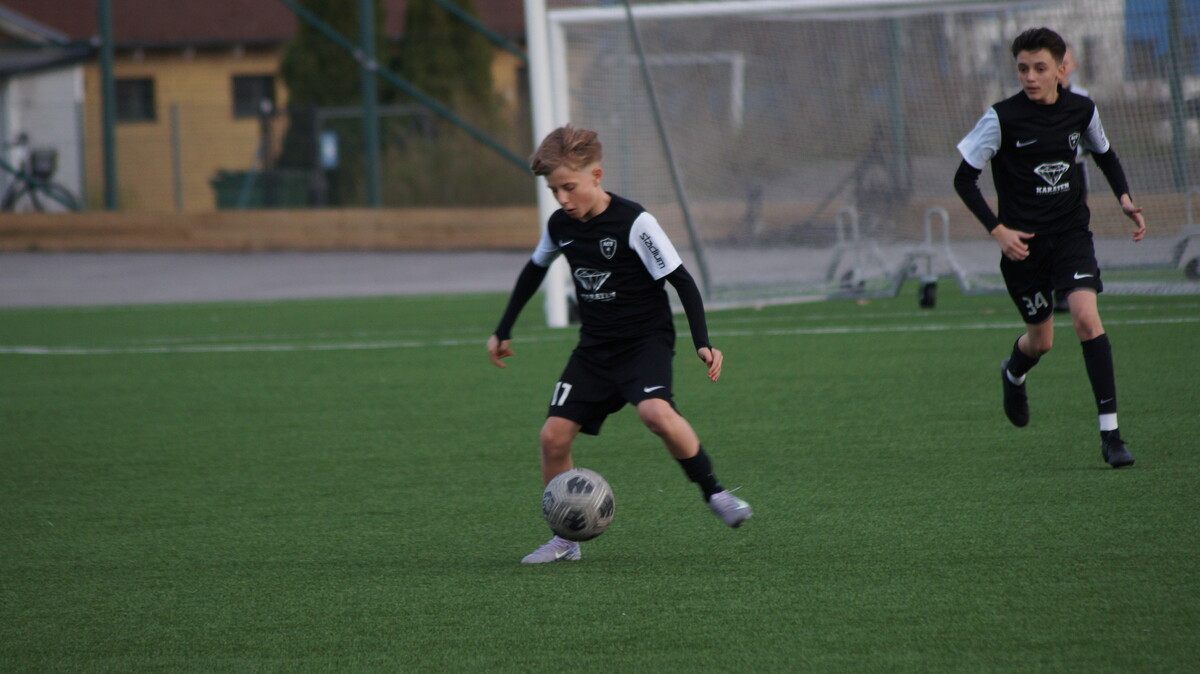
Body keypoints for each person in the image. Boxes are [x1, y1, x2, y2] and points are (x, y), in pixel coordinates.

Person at [488, 125, 752, 563]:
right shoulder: (560, 225)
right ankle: (565, 540)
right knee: (553, 437)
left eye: (569, 187)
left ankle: (715, 494)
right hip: (594, 349)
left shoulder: (634, 221)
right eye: (554, 191)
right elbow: (535, 269)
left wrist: (702, 342)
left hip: (643, 343)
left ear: (596, 175)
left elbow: (681, 280)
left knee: (655, 413)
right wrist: (504, 329)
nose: (562, 199)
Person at [953, 27, 1146, 468]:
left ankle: (1112, 436)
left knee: (1086, 318)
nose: (1030, 77)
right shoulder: (1001, 118)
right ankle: (1013, 372)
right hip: (1023, 249)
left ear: (1062, 69)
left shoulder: (1082, 109)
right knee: (1041, 342)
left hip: (1071, 234)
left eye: (1040, 68)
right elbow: (964, 179)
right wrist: (998, 231)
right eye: (1023, 68)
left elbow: (1104, 153)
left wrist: (1124, 198)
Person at [1054, 43, 1089, 312]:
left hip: (1074, 170)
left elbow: (1094, 141)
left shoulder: (1082, 98)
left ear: (1073, 65)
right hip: (1045, 173)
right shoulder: (1037, 99)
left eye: (1066, 62)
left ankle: (1069, 289)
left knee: (1072, 232)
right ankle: (1051, 288)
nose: (1062, 68)